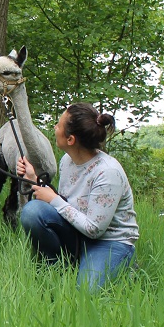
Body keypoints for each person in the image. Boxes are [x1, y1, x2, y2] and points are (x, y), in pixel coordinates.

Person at [16, 102, 138, 290]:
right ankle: (55, 266)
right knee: (33, 212)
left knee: (86, 293)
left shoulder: (107, 173)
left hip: (110, 241)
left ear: (71, 139)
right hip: (77, 232)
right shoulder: (68, 160)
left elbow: (95, 229)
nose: (55, 128)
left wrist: (53, 199)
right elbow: (68, 205)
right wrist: (33, 179)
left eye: (58, 125)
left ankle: (124, 267)